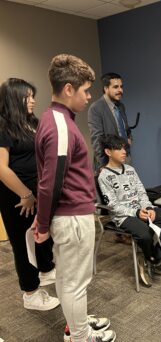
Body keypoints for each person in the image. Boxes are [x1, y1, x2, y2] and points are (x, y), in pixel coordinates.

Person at [32, 55, 116, 342]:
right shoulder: (60, 127)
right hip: (73, 218)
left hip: (69, 216)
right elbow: (49, 183)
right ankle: (80, 336)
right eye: (85, 90)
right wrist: (42, 225)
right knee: (73, 284)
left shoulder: (53, 119)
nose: (89, 96)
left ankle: (77, 324)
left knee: (70, 281)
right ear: (68, 89)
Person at [0, 78, 59, 311]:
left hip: (36, 192)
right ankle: (31, 293)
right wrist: (25, 194)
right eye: (28, 96)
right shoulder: (3, 126)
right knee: (22, 243)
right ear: (14, 99)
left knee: (41, 233)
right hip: (16, 195)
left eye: (33, 95)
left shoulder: (31, 122)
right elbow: (1, 168)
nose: (33, 100)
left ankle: (45, 270)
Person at [98, 134, 161, 287]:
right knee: (144, 233)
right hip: (123, 216)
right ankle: (151, 258)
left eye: (124, 148)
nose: (124, 151)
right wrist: (136, 213)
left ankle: (152, 258)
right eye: (118, 148)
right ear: (108, 152)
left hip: (142, 208)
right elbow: (113, 205)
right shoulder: (104, 176)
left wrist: (148, 207)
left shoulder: (130, 169)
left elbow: (142, 192)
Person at [88, 72, 132, 172]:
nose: (120, 90)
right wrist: (104, 164)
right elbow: (96, 139)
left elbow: (125, 128)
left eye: (121, 86)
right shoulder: (96, 108)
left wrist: (129, 138)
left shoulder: (121, 106)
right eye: (116, 87)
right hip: (109, 162)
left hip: (125, 157)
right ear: (106, 88)